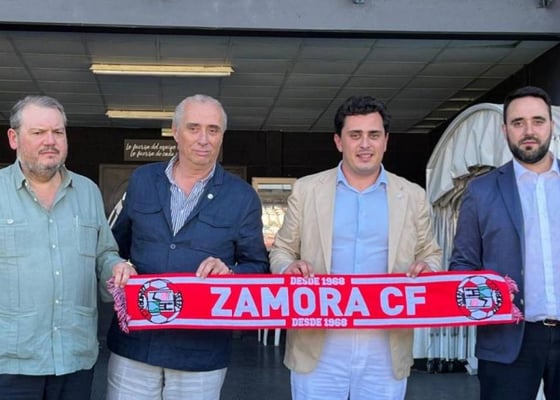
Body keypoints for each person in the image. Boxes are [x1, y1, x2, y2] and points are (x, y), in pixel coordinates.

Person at [269, 95, 442, 400]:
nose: (365, 144)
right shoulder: (307, 190)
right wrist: (288, 267)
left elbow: (431, 253)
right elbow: (282, 250)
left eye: (374, 135)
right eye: (355, 135)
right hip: (318, 345)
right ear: (339, 141)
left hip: (386, 347)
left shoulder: (412, 195)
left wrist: (428, 268)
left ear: (386, 141)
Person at [106, 94, 269, 400]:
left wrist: (230, 273)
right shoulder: (142, 180)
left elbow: (258, 266)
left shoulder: (241, 197)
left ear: (222, 135)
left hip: (201, 352)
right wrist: (119, 265)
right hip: (136, 344)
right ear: (175, 131)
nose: (203, 139)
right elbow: (114, 246)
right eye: (194, 128)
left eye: (213, 130)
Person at [0, 95, 135, 399]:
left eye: (58, 132)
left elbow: (103, 253)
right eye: (38, 132)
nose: (50, 141)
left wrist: (116, 267)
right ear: (13, 138)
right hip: (10, 362)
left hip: (74, 357)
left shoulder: (87, 192)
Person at [449, 86, 559, 400]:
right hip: (506, 339)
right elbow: (463, 266)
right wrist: (485, 299)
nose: (528, 131)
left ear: (551, 125)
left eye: (538, 121)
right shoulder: (481, 191)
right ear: (504, 130)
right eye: (518, 122)